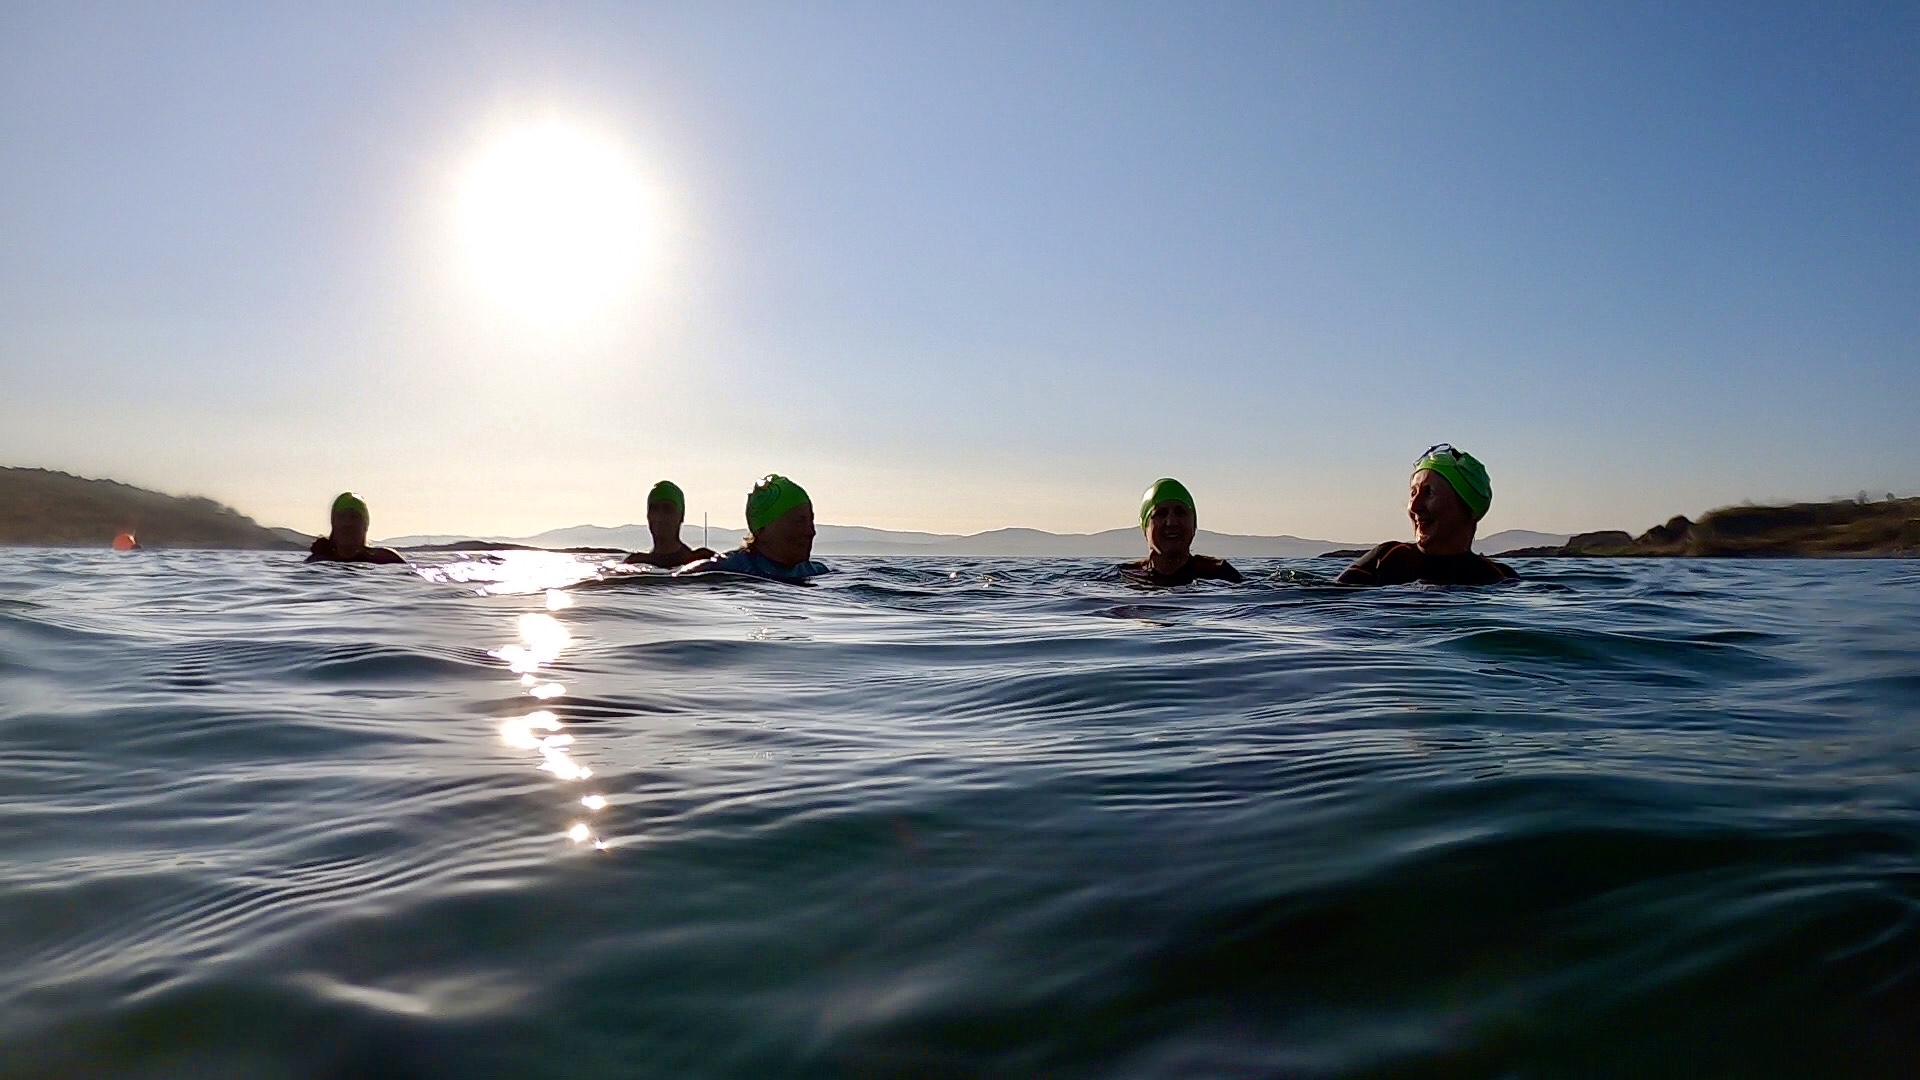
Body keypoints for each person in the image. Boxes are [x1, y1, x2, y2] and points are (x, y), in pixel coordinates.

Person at [1337, 444, 1516, 586]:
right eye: (1413, 493)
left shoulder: (1498, 577)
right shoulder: (1387, 557)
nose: (1414, 507)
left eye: (1429, 493)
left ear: (1468, 507)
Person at [678, 475, 831, 583]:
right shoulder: (723, 569)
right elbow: (676, 582)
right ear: (762, 531)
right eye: (798, 521)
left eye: (811, 520)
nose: (811, 532)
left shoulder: (818, 572)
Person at [1120, 478, 1243, 586]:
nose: (1171, 522)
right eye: (1161, 513)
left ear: (1194, 524)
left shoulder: (1221, 574)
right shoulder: (1125, 575)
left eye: (1180, 512)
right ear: (1144, 527)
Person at [622, 481, 716, 568]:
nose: (660, 516)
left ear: (681, 516)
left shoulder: (704, 559)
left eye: (667, 509)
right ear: (648, 516)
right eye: (654, 509)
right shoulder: (635, 562)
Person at [307, 492, 406, 564]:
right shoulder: (317, 562)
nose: (347, 524)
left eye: (354, 517)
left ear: (365, 525)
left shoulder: (387, 559)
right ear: (333, 524)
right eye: (341, 517)